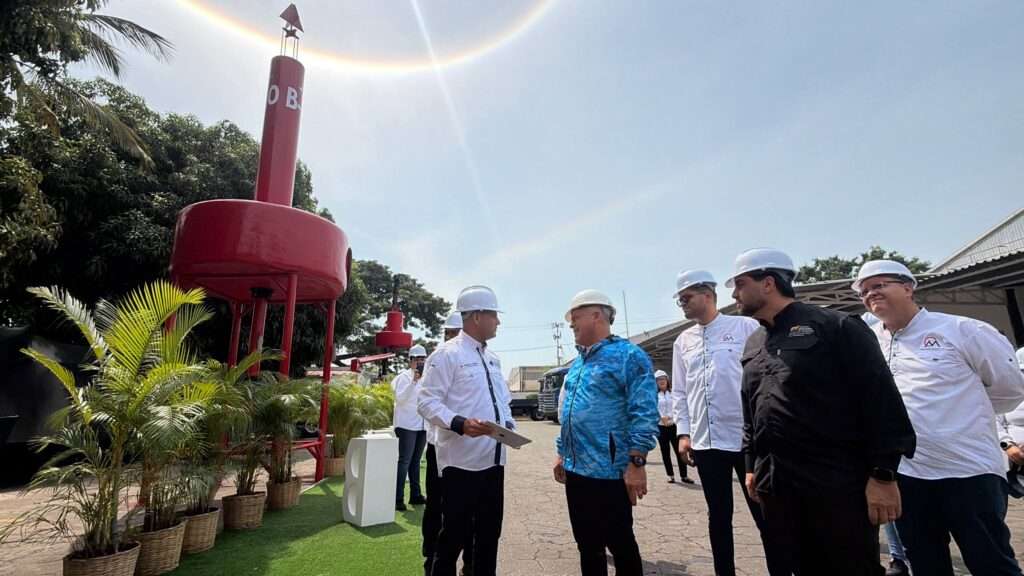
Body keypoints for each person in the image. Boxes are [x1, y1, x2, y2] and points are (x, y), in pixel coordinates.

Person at [731, 248, 916, 575]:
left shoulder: (837, 327)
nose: (733, 294)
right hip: (777, 485)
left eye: (740, 284)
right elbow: (752, 409)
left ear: (768, 283)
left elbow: (881, 402)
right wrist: (751, 465)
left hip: (835, 485)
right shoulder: (753, 343)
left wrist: (883, 474)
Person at [856, 259, 1024, 575]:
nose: (871, 294)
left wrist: (960, 413)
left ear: (908, 287)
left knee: (991, 562)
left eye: (880, 285)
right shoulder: (867, 341)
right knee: (924, 562)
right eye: (864, 290)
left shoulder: (961, 330)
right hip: (907, 475)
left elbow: (1009, 390)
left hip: (968, 472)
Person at [669, 269, 772, 575]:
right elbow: (680, 390)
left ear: (708, 295)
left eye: (686, 298)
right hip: (705, 441)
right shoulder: (683, 340)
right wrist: (683, 433)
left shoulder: (745, 327)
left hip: (745, 439)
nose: (683, 305)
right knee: (719, 516)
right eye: (680, 301)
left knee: (764, 513)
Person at [553, 289, 658, 576]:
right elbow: (568, 414)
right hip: (576, 471)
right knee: (587, 546)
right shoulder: (577, 364)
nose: (571, 324)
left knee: (620, 544)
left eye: (575, 317)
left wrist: (637, 462)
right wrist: (563, 453)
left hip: (610, 471)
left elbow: (645, 412)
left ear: (597, 314)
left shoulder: (629, 356)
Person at [418, 286, 514, 576]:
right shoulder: (445, 355)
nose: (498, 321)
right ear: (476, 317)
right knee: (453, 537)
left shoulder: (493, 359)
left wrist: (509, 425)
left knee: (488, 535)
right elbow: (426, 401)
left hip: (494, 461)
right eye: (494, 315)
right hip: (461, 464)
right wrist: (460, 423)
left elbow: (504, 403)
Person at [422, 312, 475, 576]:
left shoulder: (478, 359)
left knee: (467, 513)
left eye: (457, 332)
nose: (454, 338)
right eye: (450, 333)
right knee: (437, 508)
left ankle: (469, 561)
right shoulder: (440, 358)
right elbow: (428, 404)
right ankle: (431, 558)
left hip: (467, 451)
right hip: (439, 447)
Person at [393, 344, 429, 511]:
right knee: (405, 461)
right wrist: (413, 381)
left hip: (422, 425)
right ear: (410, 360)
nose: (420, 362)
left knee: (416, 461)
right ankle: (398, 498)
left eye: (423, 359)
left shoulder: (428, 378)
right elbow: (400, 399)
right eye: (417, 359)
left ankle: (415, 495)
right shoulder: (403, 378)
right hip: (406, 424)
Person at [654, 370, 690, 484]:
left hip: (674, 426)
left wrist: (670, 418)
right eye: (659, 380)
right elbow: (653, 409)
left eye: (663, 379)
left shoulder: (673, 393)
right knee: (665, 452)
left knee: (679, 451)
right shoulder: (654, 396)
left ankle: (684, 475)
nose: (661, 381)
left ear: (667, 380)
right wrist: (661, 417)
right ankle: (670, 475)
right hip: (661, 427)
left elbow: (679, 407)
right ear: (656, 382)